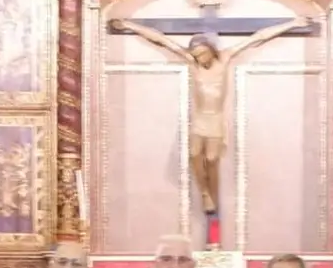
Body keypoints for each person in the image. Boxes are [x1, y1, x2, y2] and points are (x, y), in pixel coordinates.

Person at [111, 13, 310, 216]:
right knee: (194, 155)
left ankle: (213, 196)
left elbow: (258, 37)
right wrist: (128, 24)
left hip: (215, 119)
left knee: (212, 159)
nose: (200, 58)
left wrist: (293, 23)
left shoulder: (225, 58)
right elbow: (161, 40)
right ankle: (205, 194)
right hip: (200, 118)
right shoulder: (192, 62)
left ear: (211, 50)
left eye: (202, 54)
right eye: (196, 55)